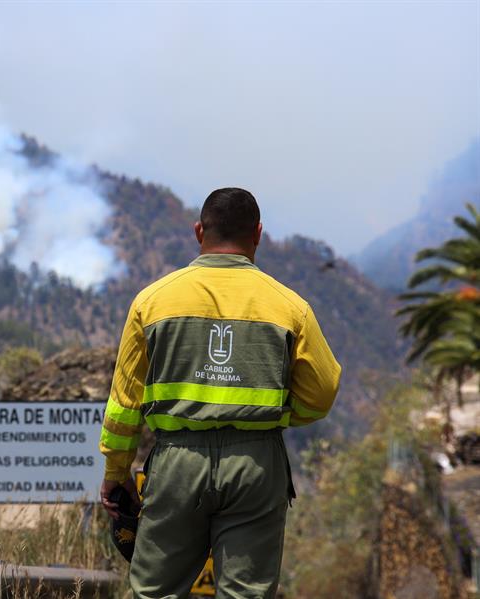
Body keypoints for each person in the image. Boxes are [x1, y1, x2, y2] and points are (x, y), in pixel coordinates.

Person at [99, 188, 341, 599]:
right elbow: (322, 393)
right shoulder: (289, 306)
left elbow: (125, 403)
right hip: (255, 464)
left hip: (177, 463)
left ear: (199, 231)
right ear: (258, 234)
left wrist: (116, 474)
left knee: (154, 592)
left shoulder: (152, 302)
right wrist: (274, 414)